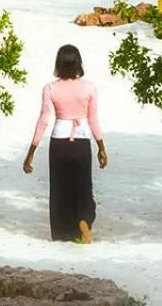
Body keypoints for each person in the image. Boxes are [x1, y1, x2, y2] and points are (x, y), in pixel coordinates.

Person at [23, 44, 108, 243]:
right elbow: (93, 119)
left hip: (59, 142)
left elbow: (43, 120)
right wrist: (101, 148)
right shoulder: (89, 88)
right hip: (81, 141)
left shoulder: (50, 88)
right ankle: (84, 220)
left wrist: (31, 153)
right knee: (83, 187)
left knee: (60, 191)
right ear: (79, 63)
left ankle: (62, 235)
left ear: (58, 64)